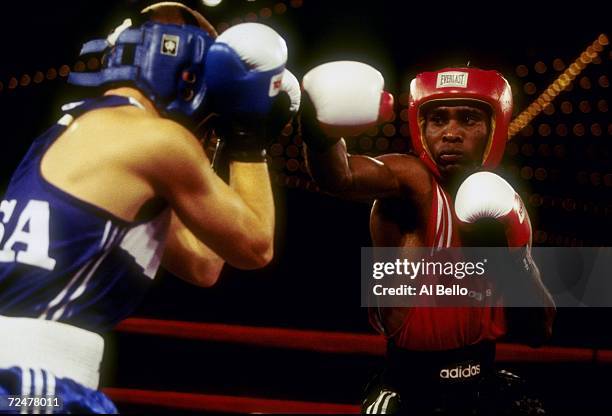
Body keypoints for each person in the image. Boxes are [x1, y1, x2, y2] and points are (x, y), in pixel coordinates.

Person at [0, 2, 299, 413]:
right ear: (190, 73)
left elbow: (204, 262)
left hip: (29, 382)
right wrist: (248, 136)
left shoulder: (69, 132)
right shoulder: (156, 142)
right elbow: (255, 246)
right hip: (34, 384)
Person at [300, 62, 556, 414]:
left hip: (483, 384)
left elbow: (538, 333)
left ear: (493, 128)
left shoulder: (499, 201)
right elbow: (341, 176)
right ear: (421, 128)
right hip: (410, 391)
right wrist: (318, 131)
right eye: (438, 120)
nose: (451, 133)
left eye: (468, 119)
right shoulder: (411, 182)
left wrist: (518, 259)